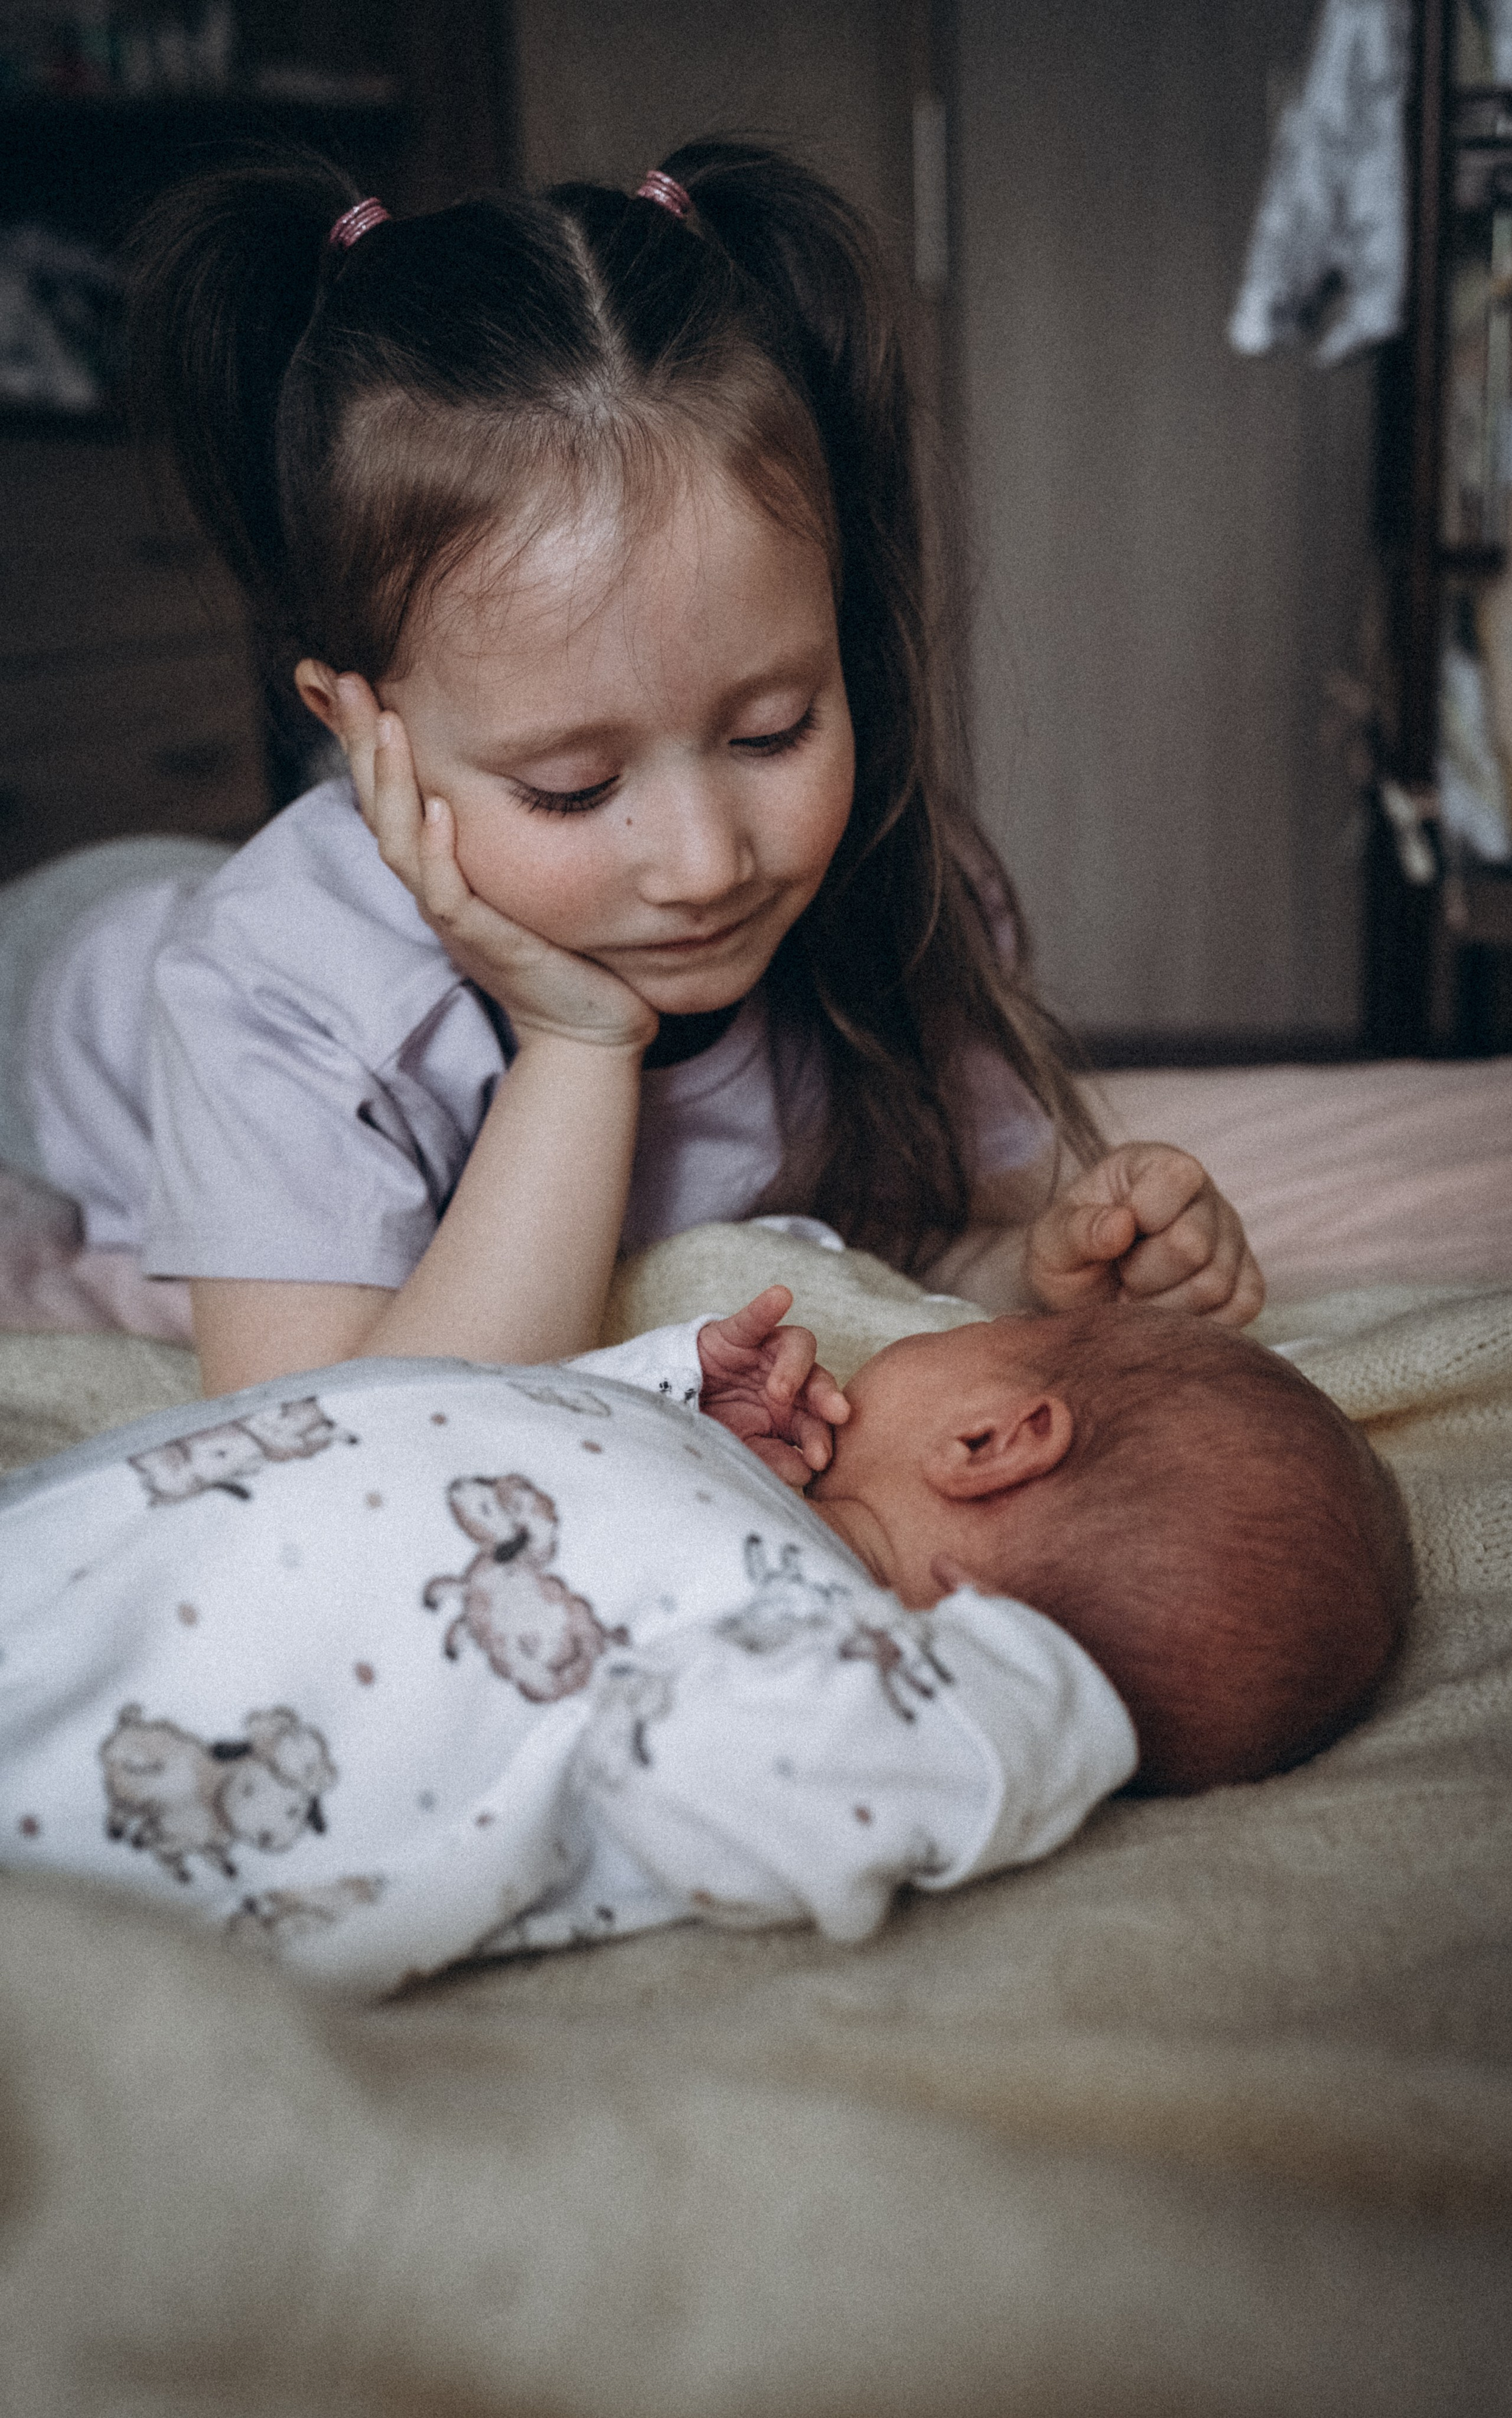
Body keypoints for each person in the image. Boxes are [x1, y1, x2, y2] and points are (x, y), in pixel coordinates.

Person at [2, 142, 1266, 1392]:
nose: (707, 862)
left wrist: (1035, 1271)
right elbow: (349, 1439)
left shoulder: (896, 882)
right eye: (570, 787)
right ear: (357, 731)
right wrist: (573, 1041)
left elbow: (905, 1239)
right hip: (66, 978)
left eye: (773, 732)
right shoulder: (264, 990)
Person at [0, 1287, 1406, 1995]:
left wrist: (1036, 1703)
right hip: (96, 1543)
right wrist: (673, 1398)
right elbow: (502, 1436)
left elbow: (730, 1764)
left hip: (99, 1747)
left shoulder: (788, 1656)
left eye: (1008, 1324)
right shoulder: (759, 1529)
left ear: (991, 1442)